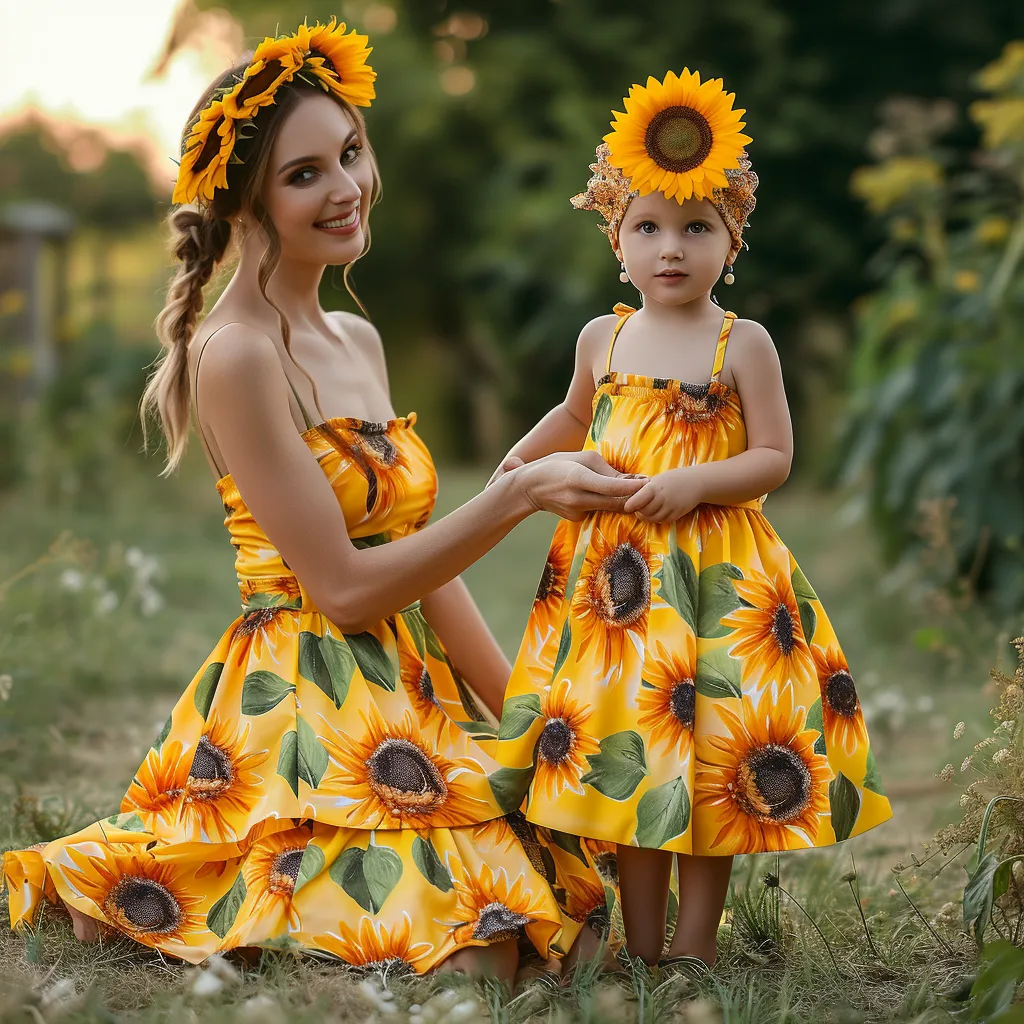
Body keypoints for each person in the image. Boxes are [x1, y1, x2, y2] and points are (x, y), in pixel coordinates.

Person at [1, 20, 645, 984]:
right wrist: (516, 496)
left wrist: (524, 720)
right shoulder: (237, 356)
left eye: (349, 153)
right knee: (477, 959)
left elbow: (422, 565)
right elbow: (343, 591)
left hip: (409, 686)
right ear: (245, 203)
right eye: (304, 174)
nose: (345, 187)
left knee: (576, 929)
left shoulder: (356, 338)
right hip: (302, 696)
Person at [491, 69, 894, 970]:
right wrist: (521, 462)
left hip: (714, 580)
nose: (671, 248)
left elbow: (776, 458)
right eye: (648, 227)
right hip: (614, 588)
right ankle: (641, 946)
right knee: (632, 759)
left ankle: (695, 948)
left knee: (710, 763)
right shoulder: (606, 336)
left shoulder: (740, 342)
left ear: (732, 237)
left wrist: (701, 481)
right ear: (617, 240)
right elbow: (572, 413)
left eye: (696, 227)